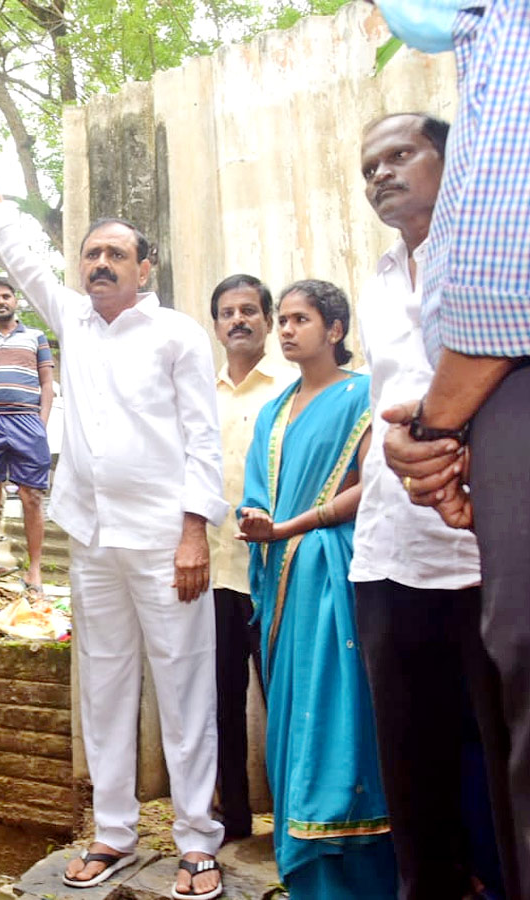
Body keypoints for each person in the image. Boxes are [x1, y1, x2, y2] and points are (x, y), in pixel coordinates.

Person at [0, 116, 228, 899]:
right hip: (93, 540)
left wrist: (194, 533)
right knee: (106, 686)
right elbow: (15, 246)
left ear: (145, 268)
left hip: (164, 542)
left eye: (117, 254)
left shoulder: (179, 336)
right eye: (92, 254)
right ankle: (113, 832)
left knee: (185, 690)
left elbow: (202, 440)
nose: (101, 264)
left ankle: (197, 844)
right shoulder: (73, 327)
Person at [370, 3, 530, 895]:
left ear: (453, 155)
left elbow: (509, 283)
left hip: (470, 520)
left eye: (401, 156)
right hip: (430, 525)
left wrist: (435, 428)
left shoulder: (505, 35)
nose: (383, 176)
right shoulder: (382, 273)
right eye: (369, 170)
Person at [238, 280, 396, 898]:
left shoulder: (363, 396)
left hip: (337, 574)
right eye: (283, 319)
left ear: (334, 330)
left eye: (300, 319)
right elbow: (258, 493)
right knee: (294, 711)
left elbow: (372, 482)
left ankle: (357, 868)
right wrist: (258, 522)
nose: (285, 329)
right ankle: (300, 858)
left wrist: (295, 525)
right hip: (284, 584)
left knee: (341, 712)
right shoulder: (275, 411)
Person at [207, 274, 295, 843]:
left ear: (266, 320)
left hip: (275, 574)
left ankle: (292, 822)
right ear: (215, 325)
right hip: (210, 573)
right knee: (219, 704)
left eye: (249, 310)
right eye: (226, 312)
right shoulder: (195, 392)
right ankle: (233, 819)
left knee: (284, 698)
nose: (238, 320)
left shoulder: (292, 388)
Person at [0, 276, 54, 592]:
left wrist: (40, 425)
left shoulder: (37, 338)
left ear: (15, 301)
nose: (1, 301)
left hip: (27, 422)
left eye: (6, 296)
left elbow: (46, 385)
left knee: (32, 496)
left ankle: (35, 572)